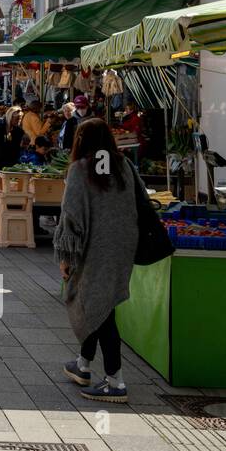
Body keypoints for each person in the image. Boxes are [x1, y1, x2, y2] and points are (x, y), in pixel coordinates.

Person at [54, 118, 139, 402]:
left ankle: (115, 381)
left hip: (93, 247)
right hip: (122, 246)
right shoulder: (124, 166)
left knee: (100, 310)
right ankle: (83, 364)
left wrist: (65, 258)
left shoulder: (80, 169)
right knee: (99, 301)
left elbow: (71, 215)